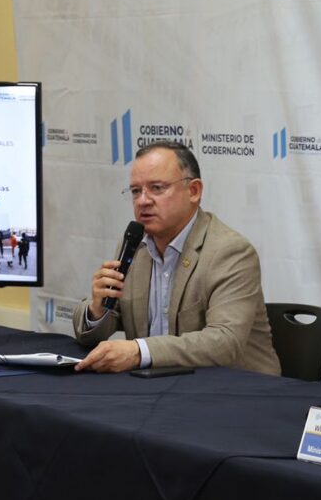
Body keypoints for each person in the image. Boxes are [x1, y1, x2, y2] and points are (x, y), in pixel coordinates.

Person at [73, 140, 280, 376]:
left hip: (237, 388)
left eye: (157, 188)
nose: (143, 200)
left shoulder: (230, 252)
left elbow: (224, 342)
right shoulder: (134, 245)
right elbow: (98, 329)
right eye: (136, 191)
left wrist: (139, 351)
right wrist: (97, 310)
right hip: (158, 384)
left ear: (194, 191)